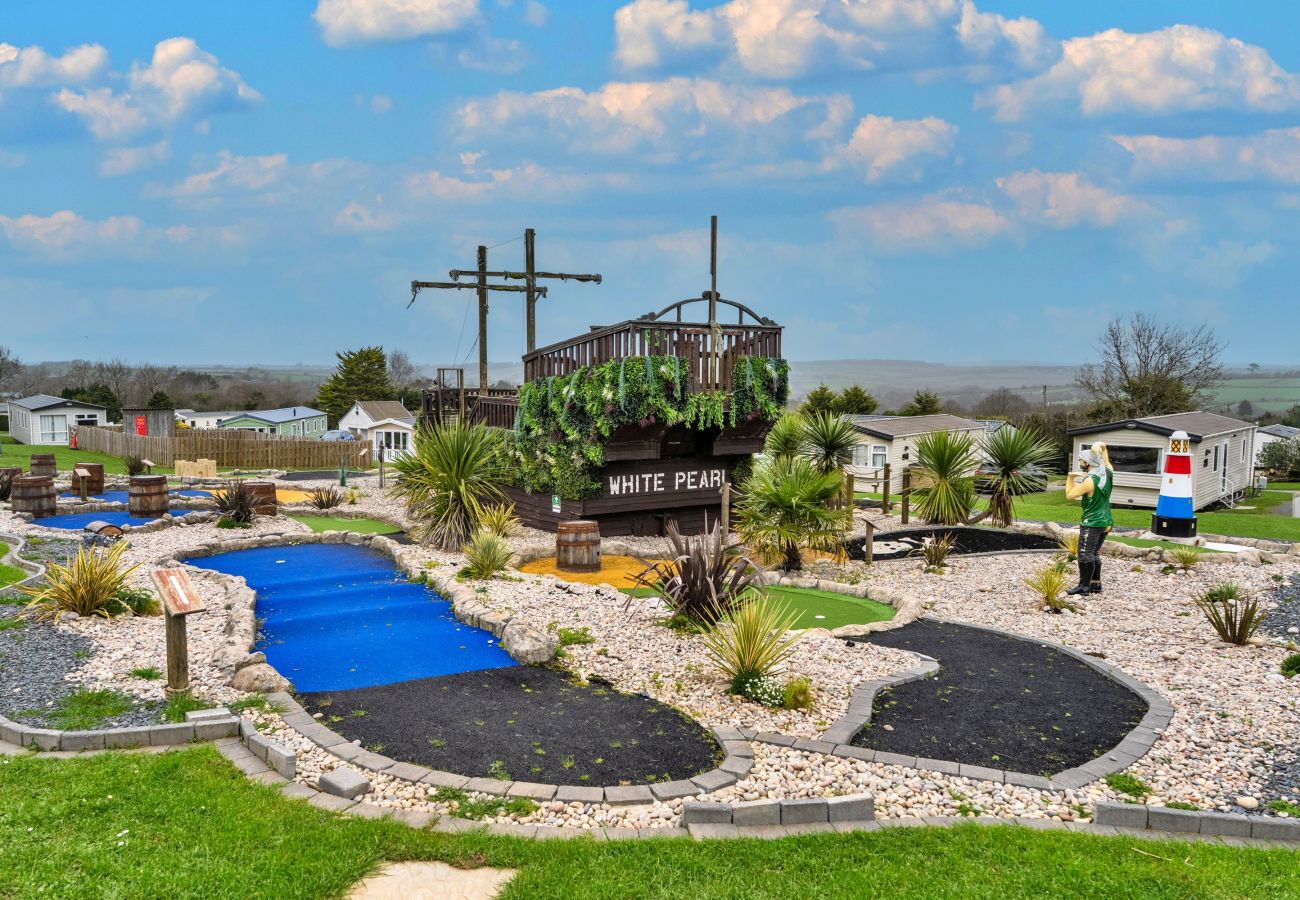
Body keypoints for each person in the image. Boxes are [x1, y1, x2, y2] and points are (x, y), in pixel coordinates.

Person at [1064, 443, 1113, 596]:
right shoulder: (1107, 473)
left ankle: (1083, 587)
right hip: (1106, 521)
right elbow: (1106, 458)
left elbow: (1069, 495)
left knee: (1085, 555)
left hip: (1092, 522)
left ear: (1088, 462)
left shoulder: (1090, 481)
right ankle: (1095, 584)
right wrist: (1101, 446)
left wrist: (1070, 477)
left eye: (1081, 460)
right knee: (1094, 553)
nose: (1080, 463)